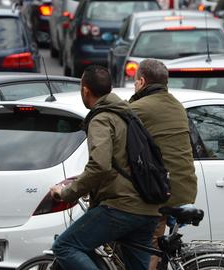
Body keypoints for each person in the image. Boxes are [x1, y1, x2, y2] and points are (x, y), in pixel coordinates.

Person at [50, 65, 160, 270]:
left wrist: (67, 193)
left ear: (85, 90)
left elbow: (100, 166)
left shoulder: (101, 118)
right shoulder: (127, 114)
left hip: (121, 206)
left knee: (65, 246)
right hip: (147, 206)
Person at [129, 59, 198, 270]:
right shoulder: (177, 105)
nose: (134, 86)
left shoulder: (137, 108)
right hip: (185, 188)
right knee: (156, 247)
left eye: (134, 83)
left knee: (147, 244)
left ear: (141, 81)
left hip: (162, 191)